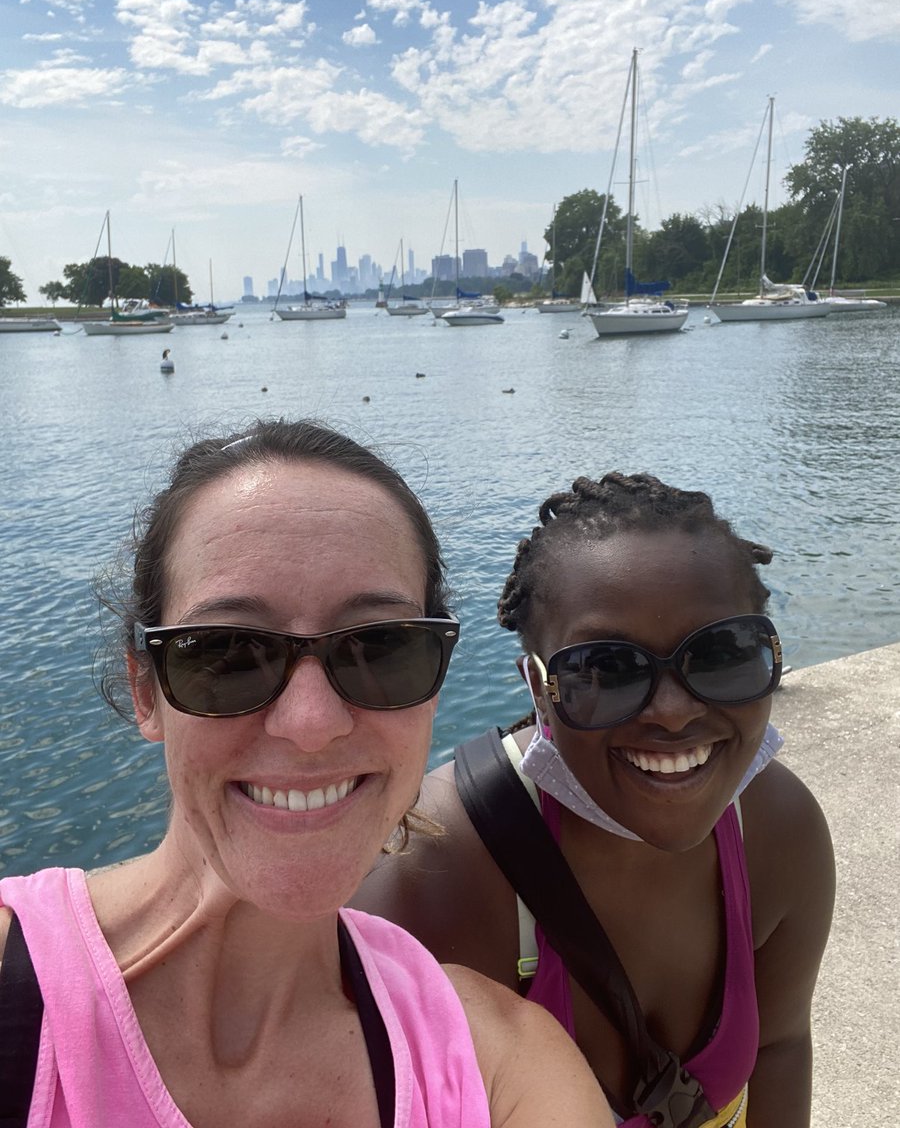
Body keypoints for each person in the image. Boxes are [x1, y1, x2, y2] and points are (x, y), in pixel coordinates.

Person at [0, 420, 613, 1128]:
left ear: (434, 679)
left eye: (381, 648)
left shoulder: (499, 1066)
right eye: (226, 651)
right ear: (147, 692)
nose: (312, 723)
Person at [355, 472, 835, 1128]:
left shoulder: (777, 831)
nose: (672, 713)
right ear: (537, 687)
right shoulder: (436, 876)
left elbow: (779, 1046)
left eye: (722, 653)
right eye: (605, 670)